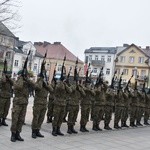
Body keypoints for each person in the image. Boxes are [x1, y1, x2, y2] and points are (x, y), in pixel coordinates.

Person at [10, 70, 35, 142]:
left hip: (24, 103)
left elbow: (35, 85)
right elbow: (19, 87)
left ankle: (18, 134)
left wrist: (27, 79)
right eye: (25, 75)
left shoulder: (27, 82)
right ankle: (13, 134)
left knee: (21, 120)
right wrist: (21, 78)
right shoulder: (17, 81)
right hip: (17, 104)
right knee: (15, 119)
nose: (26, 76)